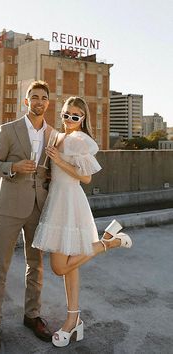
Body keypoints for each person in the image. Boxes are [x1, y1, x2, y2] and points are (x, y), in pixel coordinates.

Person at [32, 96, 132, 348]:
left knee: (58, 268)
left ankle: (110, 243)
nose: (69, 120)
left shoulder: (80, 140)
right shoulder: (59, 136)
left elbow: (85, 178)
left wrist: (59, 161)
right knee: (69, 267)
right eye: (66, 114)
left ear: (83, 119)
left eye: (75, 117)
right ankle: (73, 321)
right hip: (56, 202)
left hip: (70, 203)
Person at [0, 80, 53, 353]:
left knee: (35, 266)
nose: (39, 101)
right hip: (10, 207)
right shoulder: (9, 130)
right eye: (34, 97)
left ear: (48, 102)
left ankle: (32, 316)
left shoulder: (53, 134)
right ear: (26, 101)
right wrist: (13, 166)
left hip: (39, 207)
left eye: (43, 97)